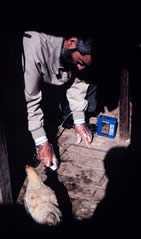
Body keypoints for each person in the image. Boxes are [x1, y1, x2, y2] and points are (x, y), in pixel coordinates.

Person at [22, 31, 96, 169]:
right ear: (71, 42)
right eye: (79, 62)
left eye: (85, 64)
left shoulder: (79, 54)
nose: (81, 67)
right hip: (27, 86)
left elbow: (79, 81)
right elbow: (30, 99)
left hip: (54, 78)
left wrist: (79, 120)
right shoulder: (34, 46)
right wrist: (42, 141)